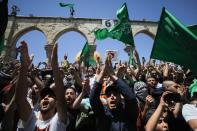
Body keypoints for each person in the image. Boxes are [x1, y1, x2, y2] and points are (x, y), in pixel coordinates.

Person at [15, 41, 68, 131]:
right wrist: (24, 66)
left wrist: (54, 67)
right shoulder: (32, 118)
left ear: (56, 103)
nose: (46, 98)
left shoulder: (59, 121)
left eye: (50, 96)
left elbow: (61, 99)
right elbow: (20, 100)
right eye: (43, 97)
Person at [90, 54, 138, 131]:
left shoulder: (127, 112)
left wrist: (111, 74)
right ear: (105, 98)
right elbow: (93, 99)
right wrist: (103, 72)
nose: (112, 96)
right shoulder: (102, 113)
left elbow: (131, 98)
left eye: (115, 94)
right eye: (108, 95)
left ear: (120, 96)